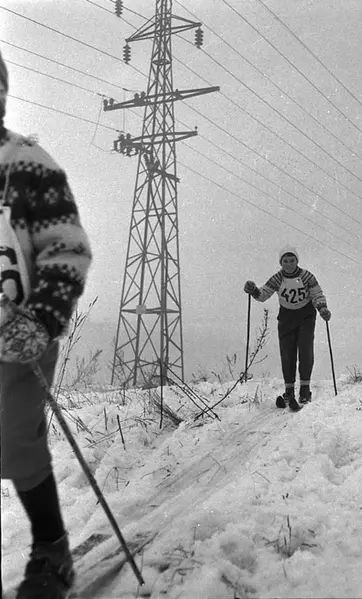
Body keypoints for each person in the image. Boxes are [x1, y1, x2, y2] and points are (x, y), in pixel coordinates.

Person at [0, 50, 92, 599]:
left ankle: (52, 548)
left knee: (14, 439)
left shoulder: (28, 164)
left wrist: (41, 320)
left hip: (19, 334)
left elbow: (67, 248)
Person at [244, 245, 330, 411]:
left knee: (305, 350)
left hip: (306, 316)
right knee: (287, 354)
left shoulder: (306, 276)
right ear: (281, 262)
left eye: (292, 261)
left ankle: (305, 390)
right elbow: (263, 294)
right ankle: (289, 391)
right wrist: (253, 290)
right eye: (285, 261)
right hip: (286, 318)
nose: (289, 264)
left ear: (297, 261)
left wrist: (322, 309)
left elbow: (317, 294)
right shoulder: (278, 278)